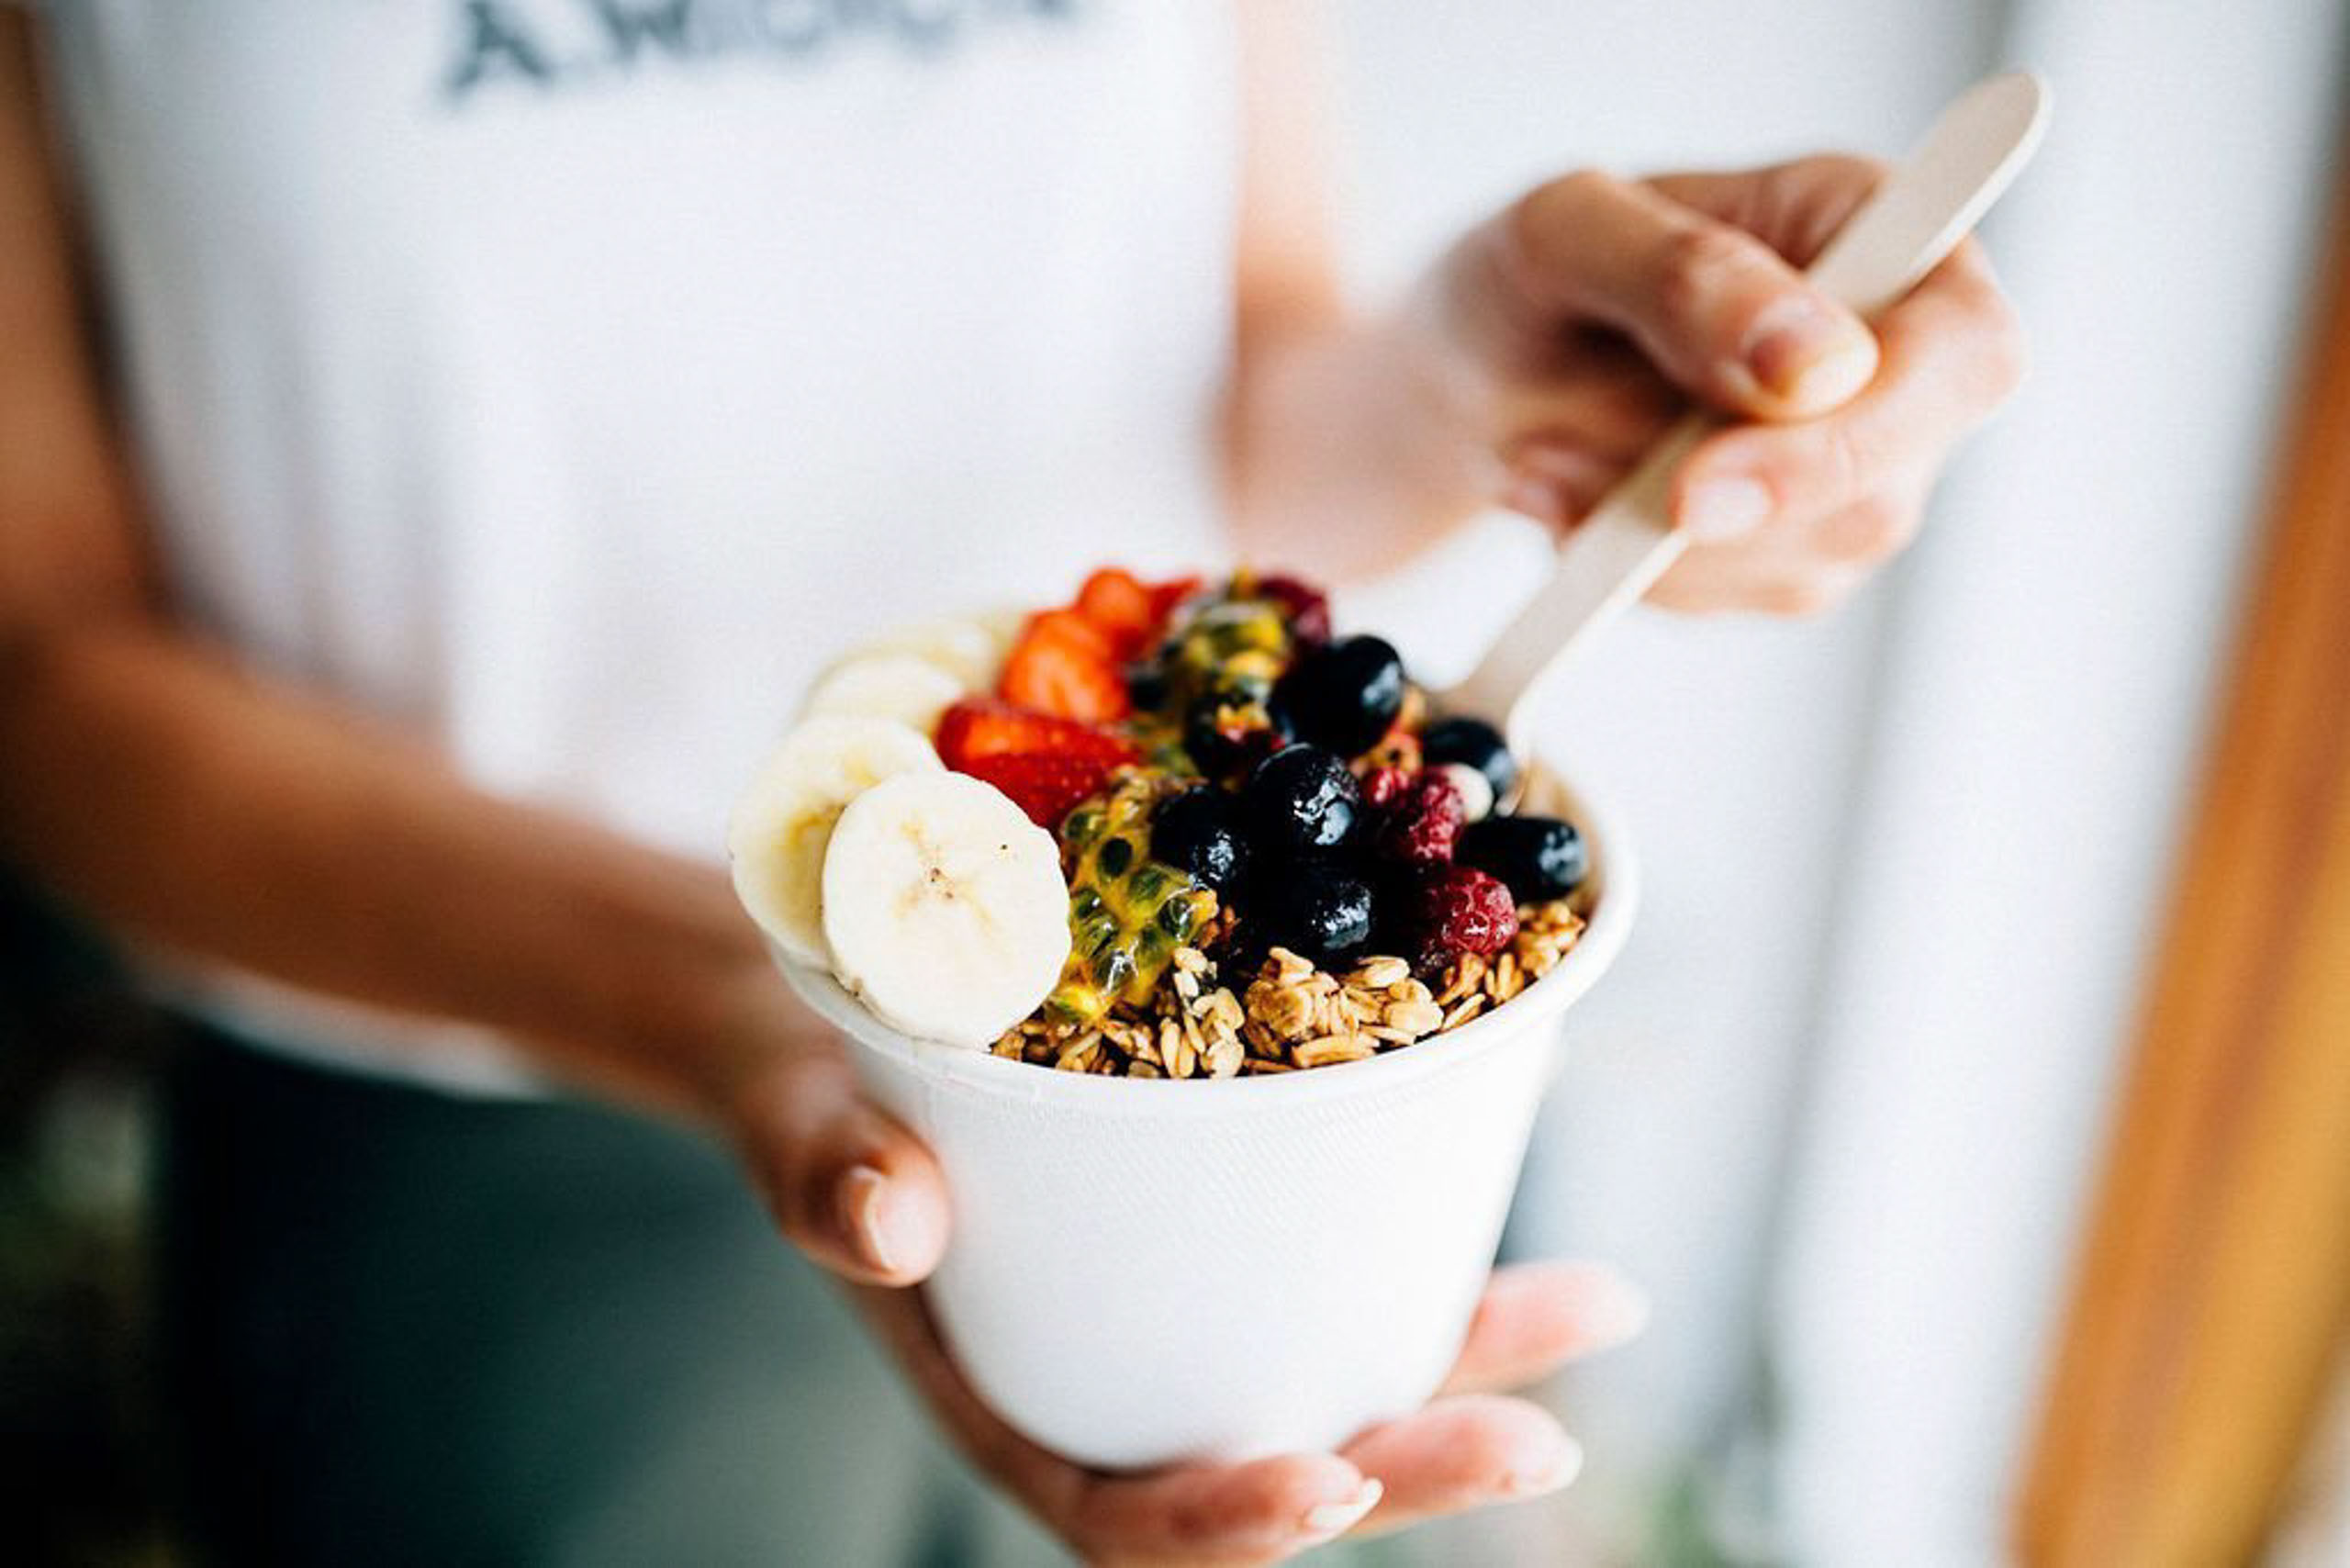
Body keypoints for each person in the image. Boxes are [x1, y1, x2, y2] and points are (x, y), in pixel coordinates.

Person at [0, 2, 2020, 1562]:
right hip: (457, 1083)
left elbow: (1251, 378)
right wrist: (732, 995)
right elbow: (41, 671)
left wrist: (1475, 386)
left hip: (1282, 1081)